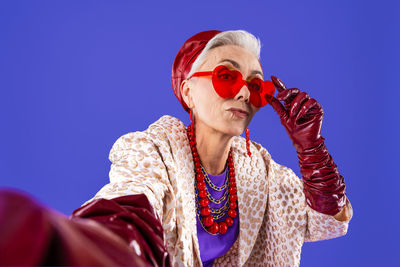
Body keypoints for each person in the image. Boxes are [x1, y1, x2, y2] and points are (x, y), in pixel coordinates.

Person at [0, 30, 352, 267]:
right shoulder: (152, 150)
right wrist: (74, 247)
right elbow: (131, 209)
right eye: (226, 77)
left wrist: (311, 146)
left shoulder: (263, 172)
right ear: (187, 92)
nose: (244, 94)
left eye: (257, 87)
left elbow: (326, 219)